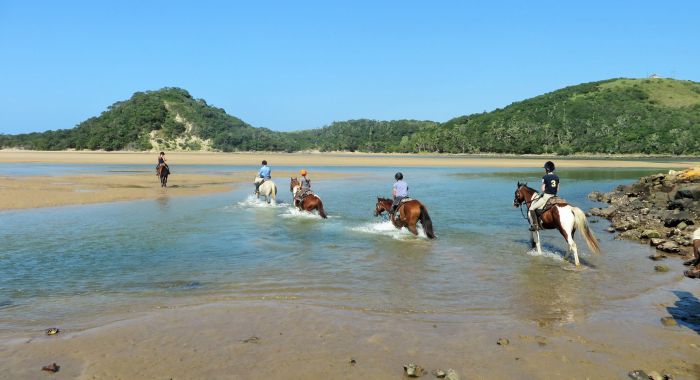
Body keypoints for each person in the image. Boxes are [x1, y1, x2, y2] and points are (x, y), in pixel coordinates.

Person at [528, 161, 559, 231]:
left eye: (545, 168)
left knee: (531, 208)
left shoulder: (545, 177)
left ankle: (535, 225)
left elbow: (543, 189)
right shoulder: (556, 177)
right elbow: (558, 188)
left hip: (546, 197)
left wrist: (543, 193)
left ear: (547, 169)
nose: (544, 170)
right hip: (555, 196)